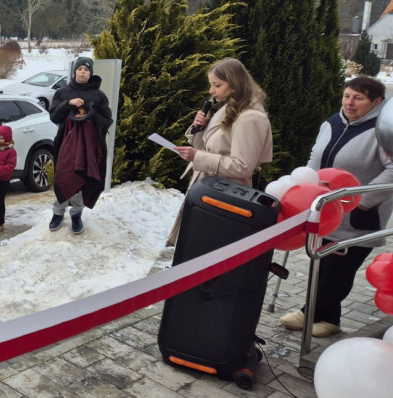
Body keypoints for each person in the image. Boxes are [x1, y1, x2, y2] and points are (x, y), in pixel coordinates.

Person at [280, 76, 393, 337]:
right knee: (321, 265)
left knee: (339, 270)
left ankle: (323, 316)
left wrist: (361, 201)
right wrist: (302, 186)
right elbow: (314, 159)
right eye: (347, 96)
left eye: (358, 98)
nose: (350, 103)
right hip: (326, 212)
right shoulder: (331, 122)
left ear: (377, 102)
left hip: (358, 218)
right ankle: (316, 312)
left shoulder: (382, 132)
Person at [168, 58, 273, 245]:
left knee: (206, 253)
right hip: (211, 194)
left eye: (217, 85)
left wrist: (197, 157)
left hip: (224, 200)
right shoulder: (229, 108)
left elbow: (242, 167)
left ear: (233, 83)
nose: (211, 91)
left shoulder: (250, 118)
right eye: (211, 85)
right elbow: (211, 148)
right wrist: (200, 129)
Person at [48, 57, 114, 235]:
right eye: (80, 69)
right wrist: (68, 103)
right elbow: (54, 117)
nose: (83, 72)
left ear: (90, 72)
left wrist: (91, 113)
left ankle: (76, 214)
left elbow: (107, 121)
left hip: (89, 145)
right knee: (63, 176)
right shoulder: (63, 92)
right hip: (65, 143)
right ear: (75, 71)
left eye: (86, 69)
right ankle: (58, 212)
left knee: (82, 176)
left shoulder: (98, 95)